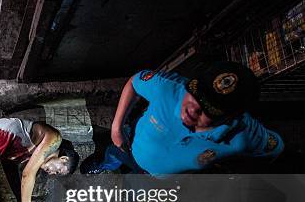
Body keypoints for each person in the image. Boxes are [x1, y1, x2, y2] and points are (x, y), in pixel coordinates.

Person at [87, 61, 283, 175]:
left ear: (230, 118)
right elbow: (134, 81)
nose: (192, 107)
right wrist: (116, 127)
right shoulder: (168, 89)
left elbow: (276, 149)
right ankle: (105, 164)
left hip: (161, 178)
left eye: (208, 109)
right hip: (129, 146)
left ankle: (130, 194)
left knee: (137, 184)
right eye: (195, 93)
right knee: (112, 154)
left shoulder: (244, 136)